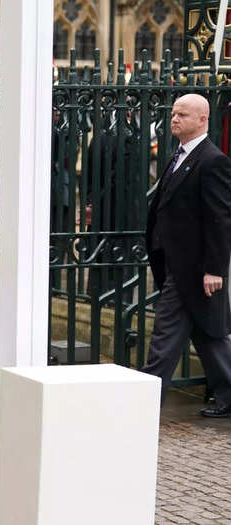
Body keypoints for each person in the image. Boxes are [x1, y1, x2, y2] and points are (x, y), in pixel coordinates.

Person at [142, 93, 231, 417]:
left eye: (182, 114)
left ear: (202, 120)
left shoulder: (212, 160)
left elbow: (219, 220)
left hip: (192, 267)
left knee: (164, 336)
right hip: (175, 261)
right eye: (174, 113)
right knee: (208, 333)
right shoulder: (179, 154)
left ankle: (145, 402)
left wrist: (214, 269)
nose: (174, 119)